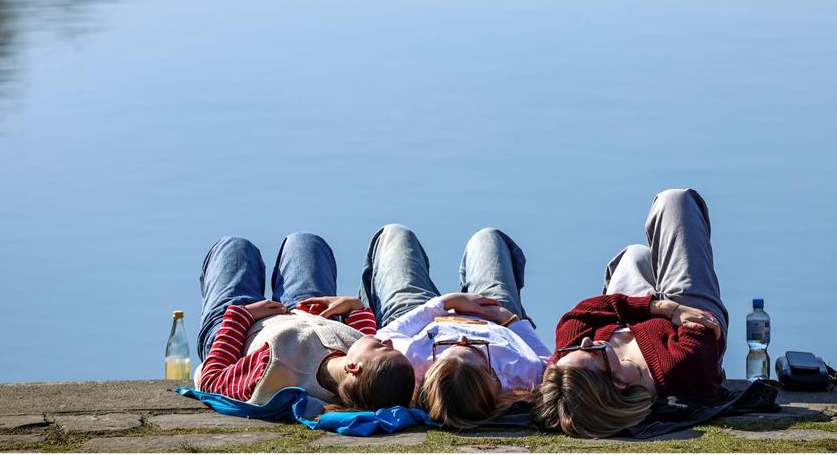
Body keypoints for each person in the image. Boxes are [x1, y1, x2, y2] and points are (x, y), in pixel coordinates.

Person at [532, 188, 729, 438]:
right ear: (617, 383)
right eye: (592, 352)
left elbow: (577, 315)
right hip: (693, 309)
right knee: (675, 202)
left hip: (652, 311)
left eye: (570, 351)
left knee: (633, 255)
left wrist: (659, 307)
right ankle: (662, 280)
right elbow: (701, 327)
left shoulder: (569, 368)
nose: (585, 341)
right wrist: (677, 306)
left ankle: (656, 289)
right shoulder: (678, 367)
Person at [359, 224, 551, 429]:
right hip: (495, 315)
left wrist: (446, 303)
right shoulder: (522, 376)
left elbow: (381, 337)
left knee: (394, 234)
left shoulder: (411, 367)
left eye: (445, 350)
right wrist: (512, 320)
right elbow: (549, 361)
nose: (462, 339)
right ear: (493, 378)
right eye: (475, 349)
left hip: (420, 316)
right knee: (488, 238)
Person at [196, 233, 414, 410]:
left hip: (240, 331)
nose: (389, 342)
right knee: (307, 242)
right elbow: (361, 336)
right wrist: (354, 307)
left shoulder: (274, 369)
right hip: (303, 313)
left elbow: (211, 380)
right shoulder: (353, 374)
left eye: (381, 347)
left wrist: (241, 316)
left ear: (353, 367)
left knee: (234, 248)